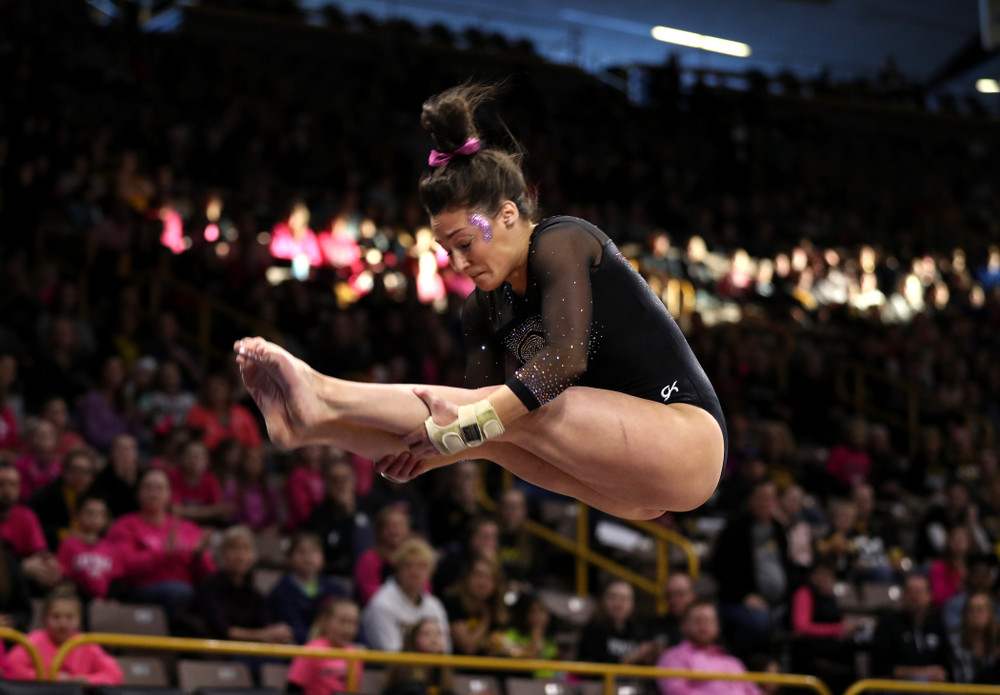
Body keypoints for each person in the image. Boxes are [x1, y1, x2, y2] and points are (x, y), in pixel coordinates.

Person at [233, 83, 726, 521]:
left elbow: (565, 359)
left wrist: (462, 431)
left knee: (533, 407)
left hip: (687, 440)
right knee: (499, 438)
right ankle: (315, 425)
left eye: (466, 243)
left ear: (508, 214)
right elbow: (478, 418)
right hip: (629, 487)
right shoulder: (484, 309)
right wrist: (434, 452)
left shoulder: (563, 241)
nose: (458, 262)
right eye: (447, 251)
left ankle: (324, 391)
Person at [104, 468, 215, 616]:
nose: (153, 493)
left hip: (186, 593)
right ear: (138, 493)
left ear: (169, 494)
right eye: (148, 487)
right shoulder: (125, 525)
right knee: (180, 592)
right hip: (140, 592)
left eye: (159, 488)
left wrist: (198, 557)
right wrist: (163, 554)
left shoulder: (188, 528)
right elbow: (124, 567)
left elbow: (208, 574)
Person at [193, 525, 293, 644]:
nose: (240, 555)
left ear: (254, 556)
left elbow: (266, 625)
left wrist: (279, 632)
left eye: (246, 549)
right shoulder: (209, 587)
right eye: (233, 548)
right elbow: (223, 631)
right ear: (222, 554)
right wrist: (263, 635)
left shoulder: (255, 594)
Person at [4, 587, 124, 684]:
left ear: (79, 620)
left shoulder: (85, 643)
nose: (63, 622)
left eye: (69, 617)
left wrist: (88, 680)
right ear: (45, 618)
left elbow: (115, 674)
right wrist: (50, 678)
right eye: (56, 617)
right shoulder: (32, 641)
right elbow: (11, 668)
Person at [361, 537, 451, 652]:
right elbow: (390, 652)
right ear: (397, 568)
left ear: (430, 572)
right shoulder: (382, 604)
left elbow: (446, 648)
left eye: (422, 566)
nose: (415, 572)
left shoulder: (434, 606)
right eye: (408, 566)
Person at [656, 600, 761, 695]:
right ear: (683, 626)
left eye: (708, 620)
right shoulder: (673, 657)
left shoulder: (734, 663)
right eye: (697, 621)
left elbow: (754, 692)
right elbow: (676, 691)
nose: (703, 626)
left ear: (717, 626)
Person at [268, 532, 349, 645]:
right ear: (289, 558)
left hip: (336, 651)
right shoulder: (281, 591)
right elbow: (294, 630)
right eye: (301, 552)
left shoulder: (336, 589)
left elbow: (351, 620)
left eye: (314, 551)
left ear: (322, 558)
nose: (308, 557)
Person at [869, 573, 948, 682]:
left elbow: (946, 666)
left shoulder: (937, 627)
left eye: (919, 592)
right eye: (910, 591)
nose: (914, 597)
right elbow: (880, 668)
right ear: (903, 596)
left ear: (929, 596)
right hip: (895, 687)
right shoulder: (888, 625)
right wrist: (923, 673)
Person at [288, 597, 364, 695]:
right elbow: (293, 688)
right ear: (325, 622)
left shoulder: (356, 654)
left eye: (353, 623)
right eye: (342, 622)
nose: (347, 629)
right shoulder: (311, 650)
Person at [576, 580, 662, 666]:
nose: (617, 603)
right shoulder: (592, 630)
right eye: (612, 597)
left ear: (632, 603)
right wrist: (631, 657)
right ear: (603, 600)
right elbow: (592, 663)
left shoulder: (639, 631)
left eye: (623, 598)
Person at [29, 447, 99, 551]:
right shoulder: (45, 497)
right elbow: (35, 530)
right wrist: (65, 535)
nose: (80, 476)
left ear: (92, 476)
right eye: (75, 470)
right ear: (64, 471)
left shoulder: (97, 497)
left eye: (85, 471)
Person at [56, 495, 122, 601]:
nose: (95, 518)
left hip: (105, 604)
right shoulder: (69, 545)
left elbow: (116, 580)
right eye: (90, 513)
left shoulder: (111, 548)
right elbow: (64, 578)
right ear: (77, 516)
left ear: (106, 519)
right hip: (78, 601)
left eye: (100, 514)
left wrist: (111, 599)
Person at [441, 556, 508, 657]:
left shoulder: (496, 606)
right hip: (460, 667)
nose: (482, 582)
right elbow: (468, 647)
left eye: (489, 577)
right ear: (467, 577)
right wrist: (485, 621)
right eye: (478, 575)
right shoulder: (454, 602)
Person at [354, 506, 413, 606]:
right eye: (389, 525)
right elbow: (371, 596)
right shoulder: (369, 560)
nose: (395, 530)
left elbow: (425, 591)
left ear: (408, 529)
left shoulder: (415, 558)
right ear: (379, 531)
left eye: (400, 525)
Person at [383, 618, 457, 695]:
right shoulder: (405, 674)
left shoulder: (442, 671)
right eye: (426, 634)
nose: (434, 639)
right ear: (414, 640)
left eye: (438, 633)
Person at [948, 590, 1000, 683]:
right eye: (970, 609)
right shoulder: (953, 639)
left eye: (980, 609)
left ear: (990, 613)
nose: (974, 614)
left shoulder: (998, 638)